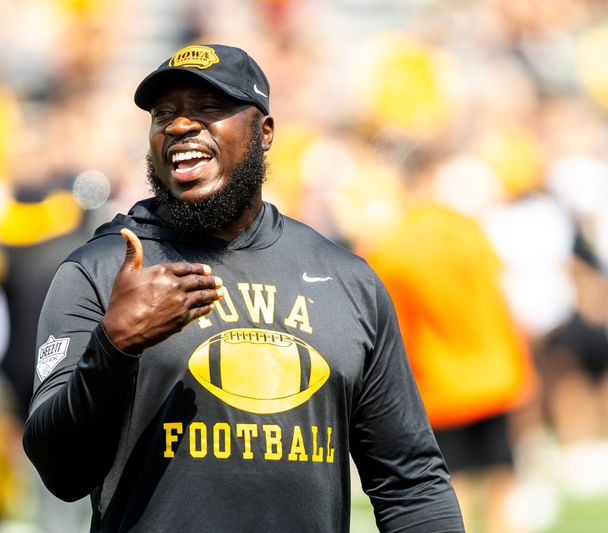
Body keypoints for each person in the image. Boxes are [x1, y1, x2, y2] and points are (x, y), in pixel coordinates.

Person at [23, 44, 463, 532]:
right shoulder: (101, 270)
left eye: (209, 108)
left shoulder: (346, 279)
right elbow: (59, 470)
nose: (180, 125)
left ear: (264, 132)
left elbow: (412, 482)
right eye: (163, 113)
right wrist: (113, 348)